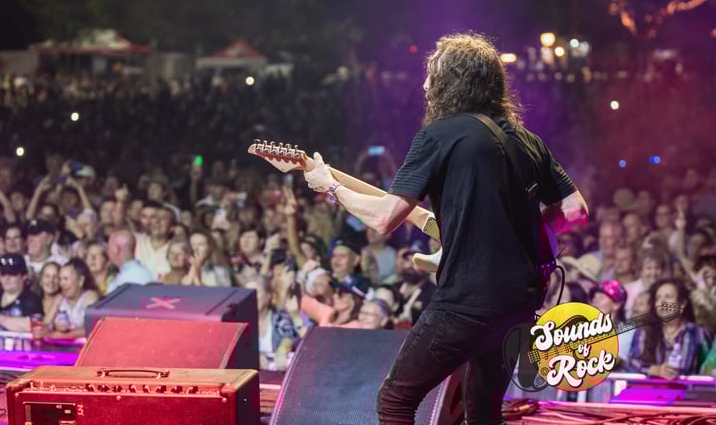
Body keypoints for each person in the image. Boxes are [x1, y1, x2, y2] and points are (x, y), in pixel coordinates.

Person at [304, 33, 588, 425]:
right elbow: (575, 210)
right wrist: (517, 229)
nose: (424, 86)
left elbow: (385, 218)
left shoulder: (438, 136)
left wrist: (331, 187)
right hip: (520, 304)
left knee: (396, 399)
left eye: (431, 76)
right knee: (483, 410)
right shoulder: (527, 140)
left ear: (451, 83)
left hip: (466, 301)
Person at [628, 278, 712, 378]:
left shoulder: (698, 333)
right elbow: (632, 361)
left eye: (668, 296)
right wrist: (655, 370)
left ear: (682, 303)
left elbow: (709, 367)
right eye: (658, 298)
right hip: (651, 386)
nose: (662, 302)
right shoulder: (645, 331)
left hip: (688, 387)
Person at [40, 258, 100, 338]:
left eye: (66, 279)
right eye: (60, 279)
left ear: (80, 280)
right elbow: (44, 326)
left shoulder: (90, 297)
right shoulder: (60, 298)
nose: (62, 283)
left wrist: (61, 335)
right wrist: (56, 326)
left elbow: (94, 328)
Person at [106, 229, 155, 294]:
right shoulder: (142, 272)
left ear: (116, 249)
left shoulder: (131, 276)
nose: (107, 252)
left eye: (108, 247)